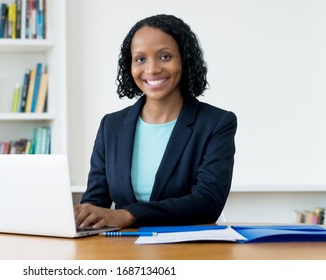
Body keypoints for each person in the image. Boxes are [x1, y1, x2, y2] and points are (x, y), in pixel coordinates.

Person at [74, 14, 237, 229]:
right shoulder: (111, 126)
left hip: (188, 248)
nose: (151, 69)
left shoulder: (216, 123)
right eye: (140, 59)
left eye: (165, 57)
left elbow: (208, 203)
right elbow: (96, 200)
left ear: (184, 60)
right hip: (122, 250)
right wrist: (82, 215)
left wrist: (128, 215)